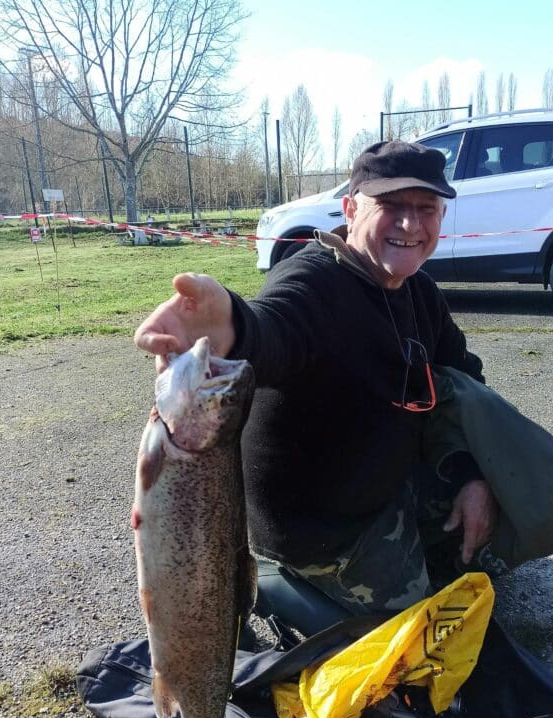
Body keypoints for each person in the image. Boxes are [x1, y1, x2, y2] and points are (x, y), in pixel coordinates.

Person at [134, 140, 499, 627]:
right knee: (419, 643)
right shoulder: (315, 282)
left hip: (385, 486)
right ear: (350, 210)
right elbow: (273, 327)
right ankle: (279, 587)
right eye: (390, 206)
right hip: (325, 530)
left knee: (513, 495)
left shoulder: (420, 291)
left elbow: (464, 375)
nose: (411, 225)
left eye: (426, 209)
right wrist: (232, 327)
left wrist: (472, 475)